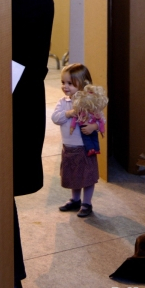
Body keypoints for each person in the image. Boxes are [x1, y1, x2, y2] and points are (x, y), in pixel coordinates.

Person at [11, 0, 54, 288]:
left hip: (13, 102)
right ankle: (10, 276)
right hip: (22, 98)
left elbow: (17, 58)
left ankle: (7, 277)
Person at [51, 63, 105, 218]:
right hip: (69, 148)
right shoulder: (63, 102)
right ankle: (75, 200)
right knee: (74, 175)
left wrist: (93, 126)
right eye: (63, 82)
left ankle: (87, 203)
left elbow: (102, 120)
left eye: (70, 83)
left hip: (84, 148)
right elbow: (55, 118)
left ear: (83, 84)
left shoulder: (90, 103)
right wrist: (70, 113)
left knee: (87, 177)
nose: (65, 86)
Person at [69, 84, 108, 156]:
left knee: (95, 138)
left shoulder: (97, 113)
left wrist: (101, 130)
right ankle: (90, 149)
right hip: (83, 127)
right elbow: (75, 118)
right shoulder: (80, 110)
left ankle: (96, 149)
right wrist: (72, 126)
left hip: (93, 130)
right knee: (86, 139)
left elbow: (102, 121)